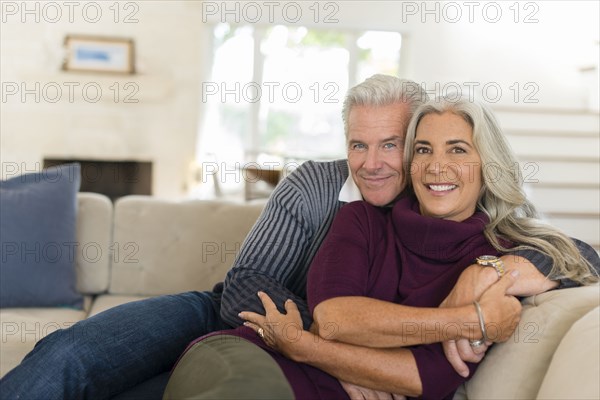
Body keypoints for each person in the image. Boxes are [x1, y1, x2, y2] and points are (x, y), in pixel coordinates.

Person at [0, 76, 591, 400]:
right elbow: (244, 287)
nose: (374, 163)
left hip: (272, 354)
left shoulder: (441, 200)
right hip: (221, 316)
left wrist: (497, 271)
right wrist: (338, 351)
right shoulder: (318, 186)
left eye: (391, 144)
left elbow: (572, 250)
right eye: (359, 144)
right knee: (69, 354)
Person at [182, 95, 598, 399]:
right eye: (422, 150)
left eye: (457, 149)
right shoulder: (360, 219)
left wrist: (489, 272)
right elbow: (336, 319)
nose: (436, 166)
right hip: (254, 359)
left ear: (488, 167)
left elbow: (429, 379)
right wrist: (469, 320)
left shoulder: (497, 254)